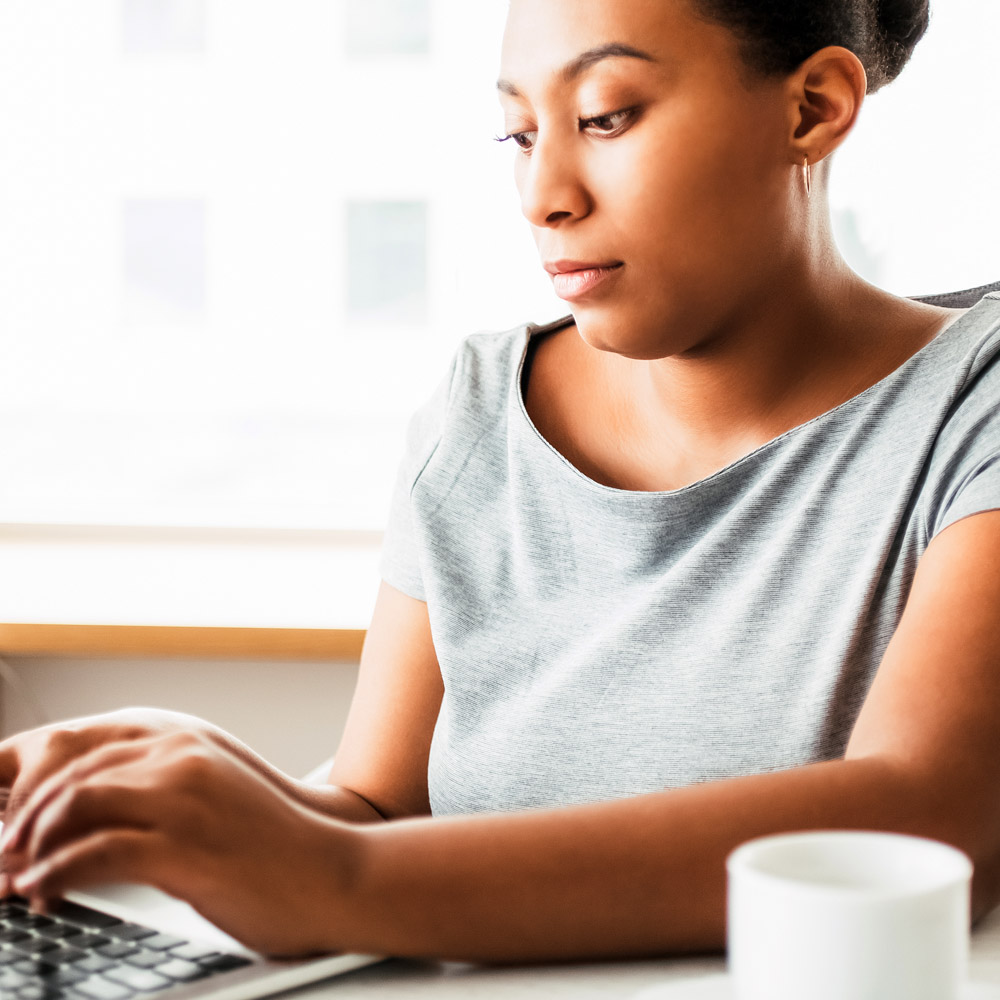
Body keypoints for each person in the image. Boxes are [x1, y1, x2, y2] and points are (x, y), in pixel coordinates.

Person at [2, 0, 1000, 963]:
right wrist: (182, 768)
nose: (544, 196)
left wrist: (334, 874)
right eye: (519, 135)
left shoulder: (973, 401)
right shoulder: (480, 412)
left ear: (812, 107)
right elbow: (378, 812)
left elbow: (920, 818)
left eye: (605, 117)